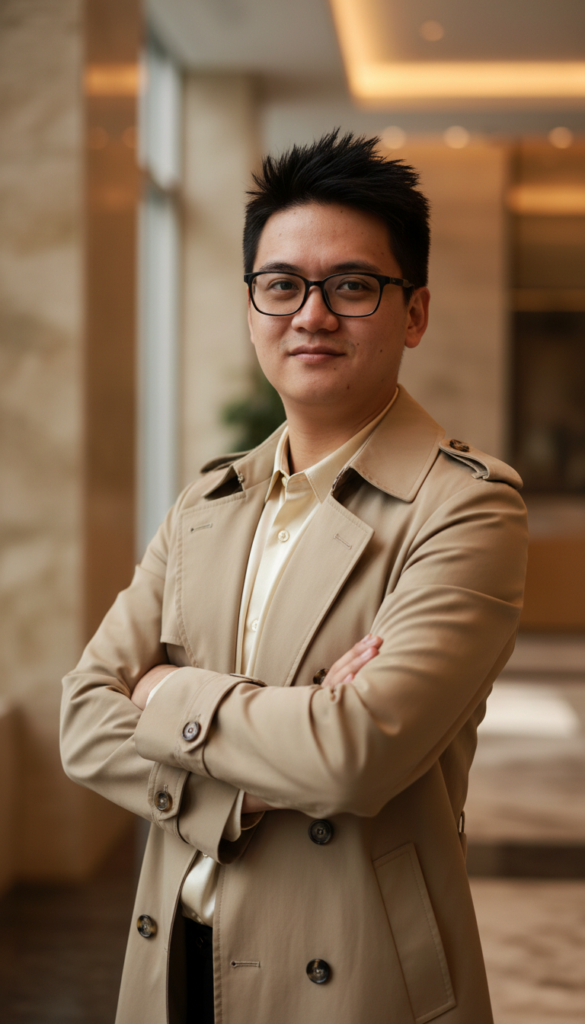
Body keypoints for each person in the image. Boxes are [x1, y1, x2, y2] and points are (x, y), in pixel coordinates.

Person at [61, 130, 528, 1024]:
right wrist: (279, 743)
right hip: (172, 965)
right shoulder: (207, 501)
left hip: (351, 978)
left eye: (351, 286)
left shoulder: (464, 508)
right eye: (281, 285)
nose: (310, 315)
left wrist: (165, 694)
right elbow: (83, 719)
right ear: (251, 308)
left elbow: (352, 758)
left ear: (414, 312)